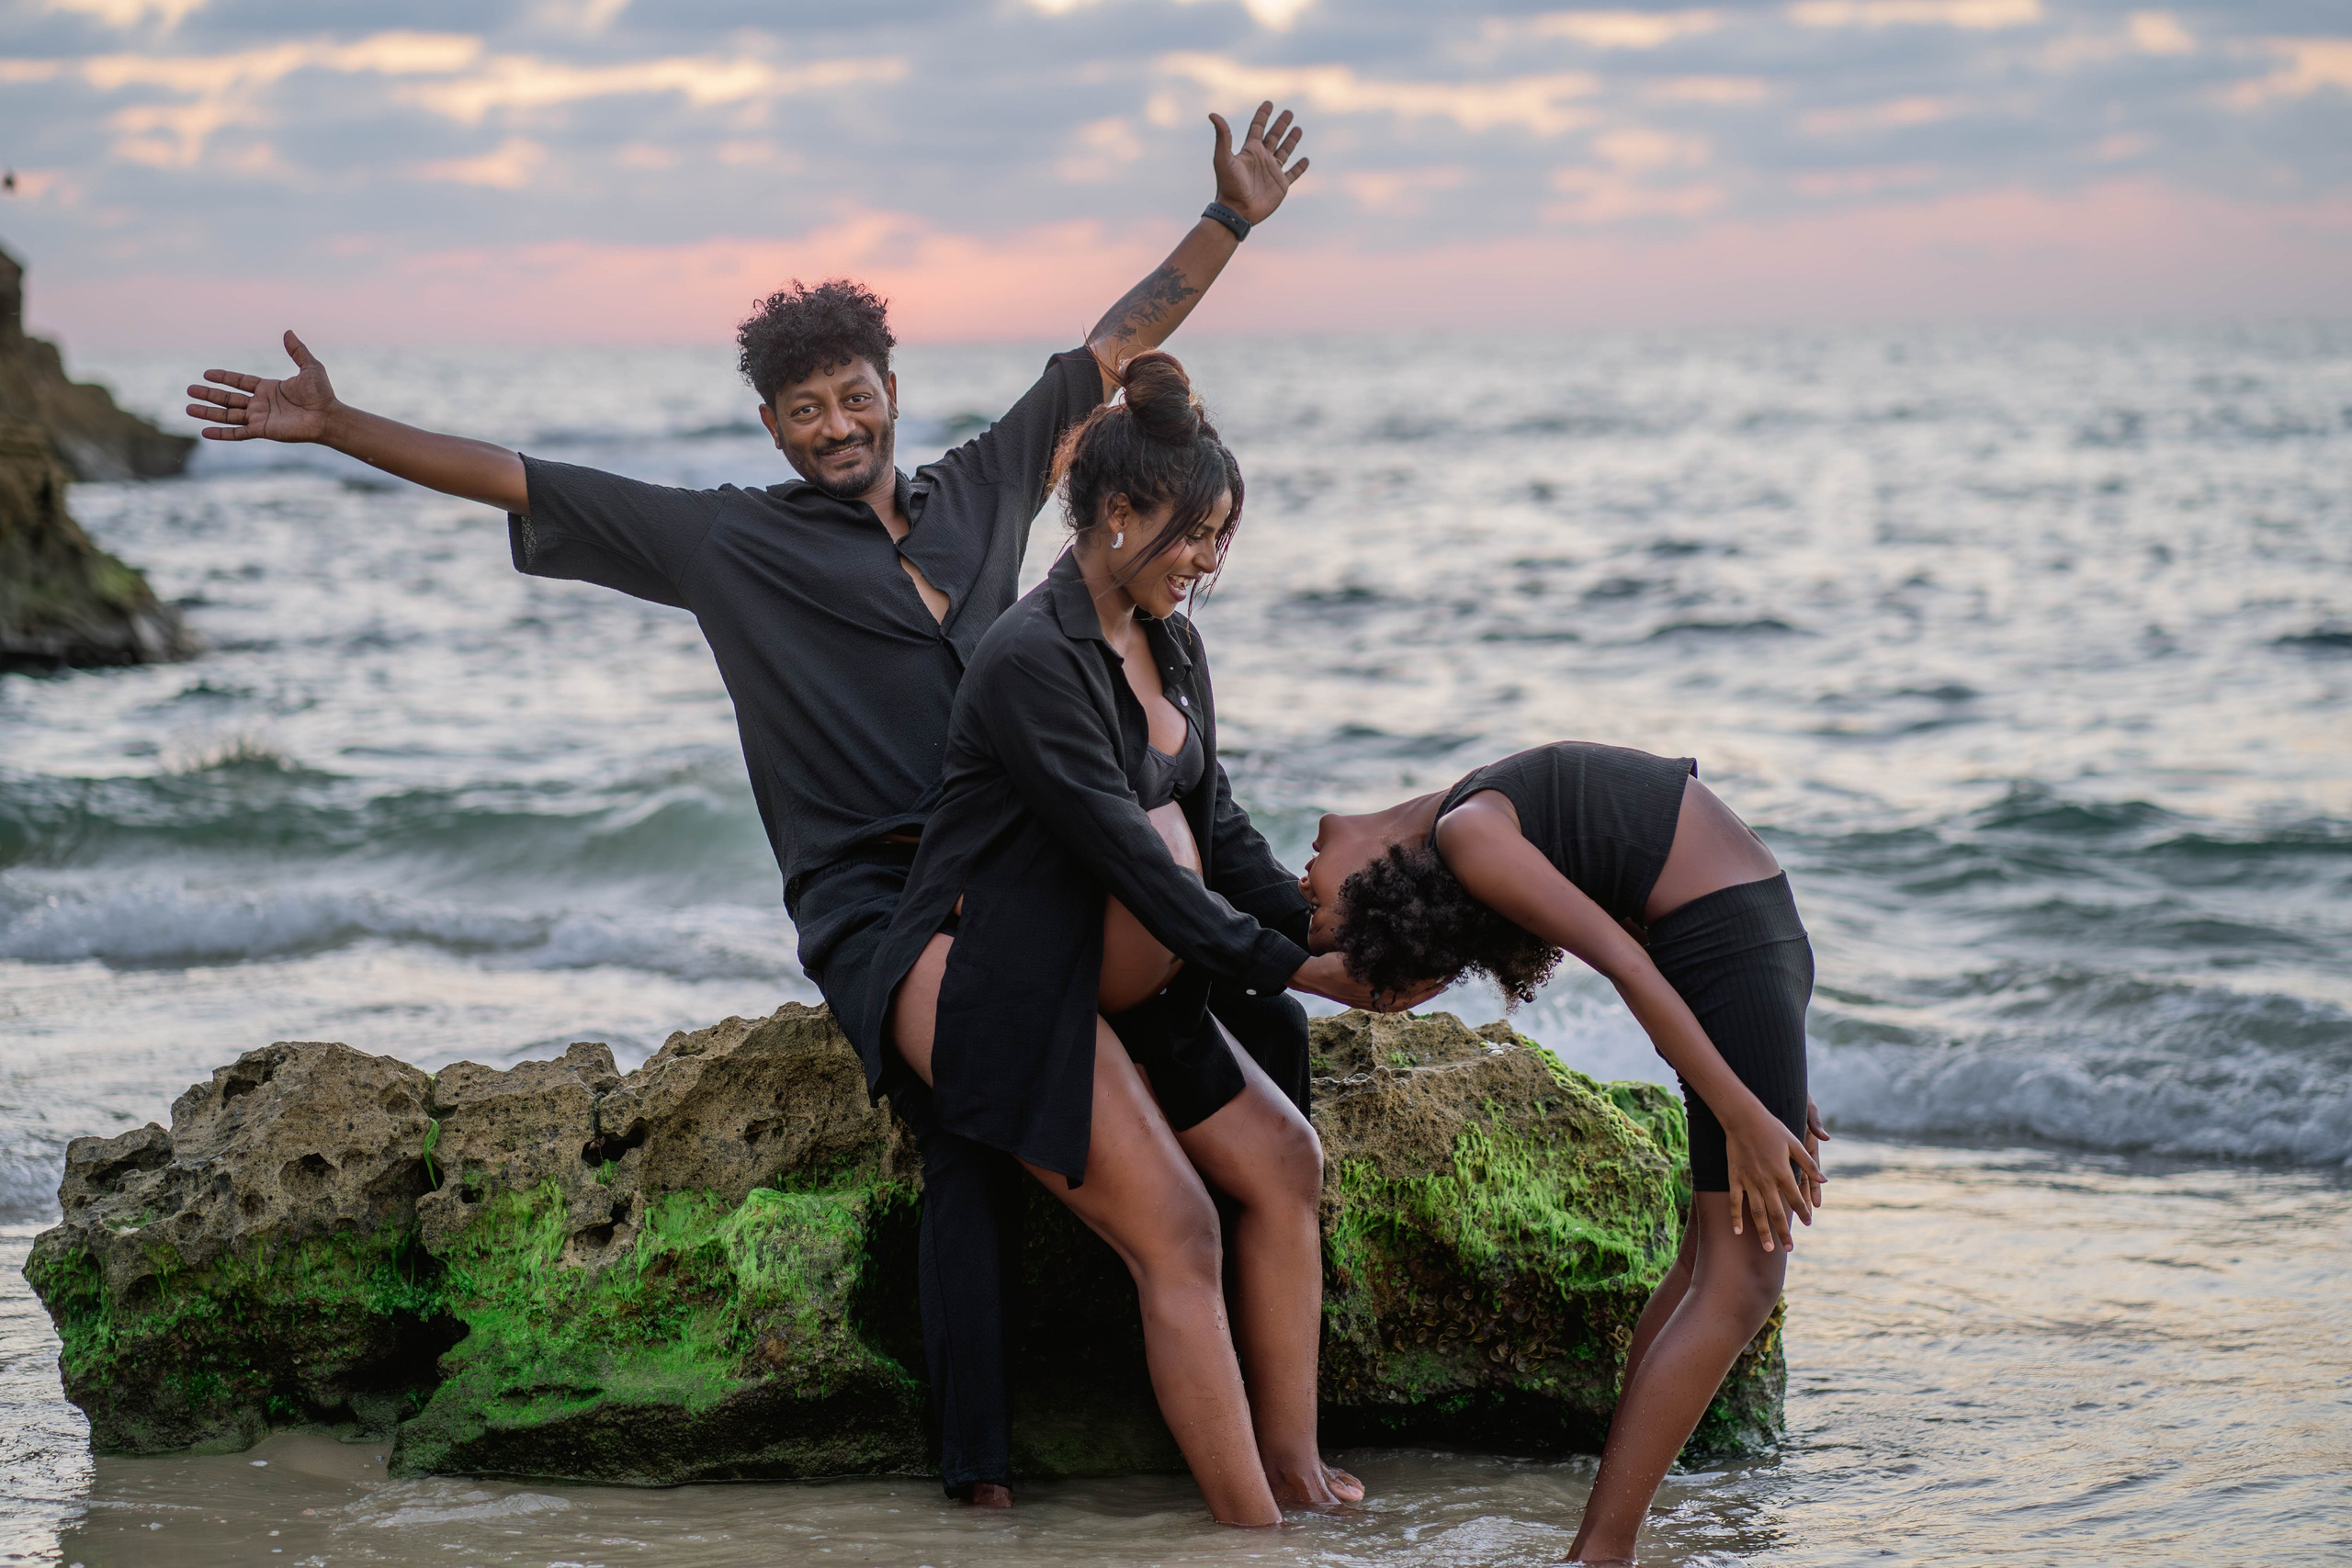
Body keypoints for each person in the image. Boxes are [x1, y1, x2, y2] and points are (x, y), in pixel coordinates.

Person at [178, 103, 1363, 1507]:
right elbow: (519, 475)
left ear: (889, 386)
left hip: (1042, 873)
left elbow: (1112, 343)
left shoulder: (985, 489)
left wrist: (1231, 217)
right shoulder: (730, 542)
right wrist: (337, 426)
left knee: (1260, 1065)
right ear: (772, 425)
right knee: (980, 1147)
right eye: (803, 410)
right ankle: (983, 1486)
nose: (833, 425)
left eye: (851, 394)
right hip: (887, 912)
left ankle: (1290, 1432)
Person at [876, 353, 1403, 1525]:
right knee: (1177, 1228)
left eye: (1221, 537)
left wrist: (1336, 930)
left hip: (1118, 976)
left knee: (1285, 1168)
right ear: (1118, 512)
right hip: (993, 978)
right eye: (1195, 535)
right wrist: (1303, 975)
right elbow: (1129, 860)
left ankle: (1295, 1472)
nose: (1209, 563)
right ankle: (1249, 1534)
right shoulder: (1030, 660)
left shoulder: (1170, 644)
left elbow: (1219, 831)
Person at [1294, 741, 1829, 1564]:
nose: (1306, 894)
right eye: (1328, 919)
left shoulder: (1464, 824)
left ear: (1383, 880)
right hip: (1729, 942)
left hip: (1733, 941)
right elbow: (1628, 946)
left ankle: (1601, 1546)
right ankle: (1605, 1540)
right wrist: (1752, 1090)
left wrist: (1754, 1102)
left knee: (1733, 1280)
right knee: (1721, 1274)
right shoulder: (1466, 826)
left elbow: (1625, 944)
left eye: (1322, 910)